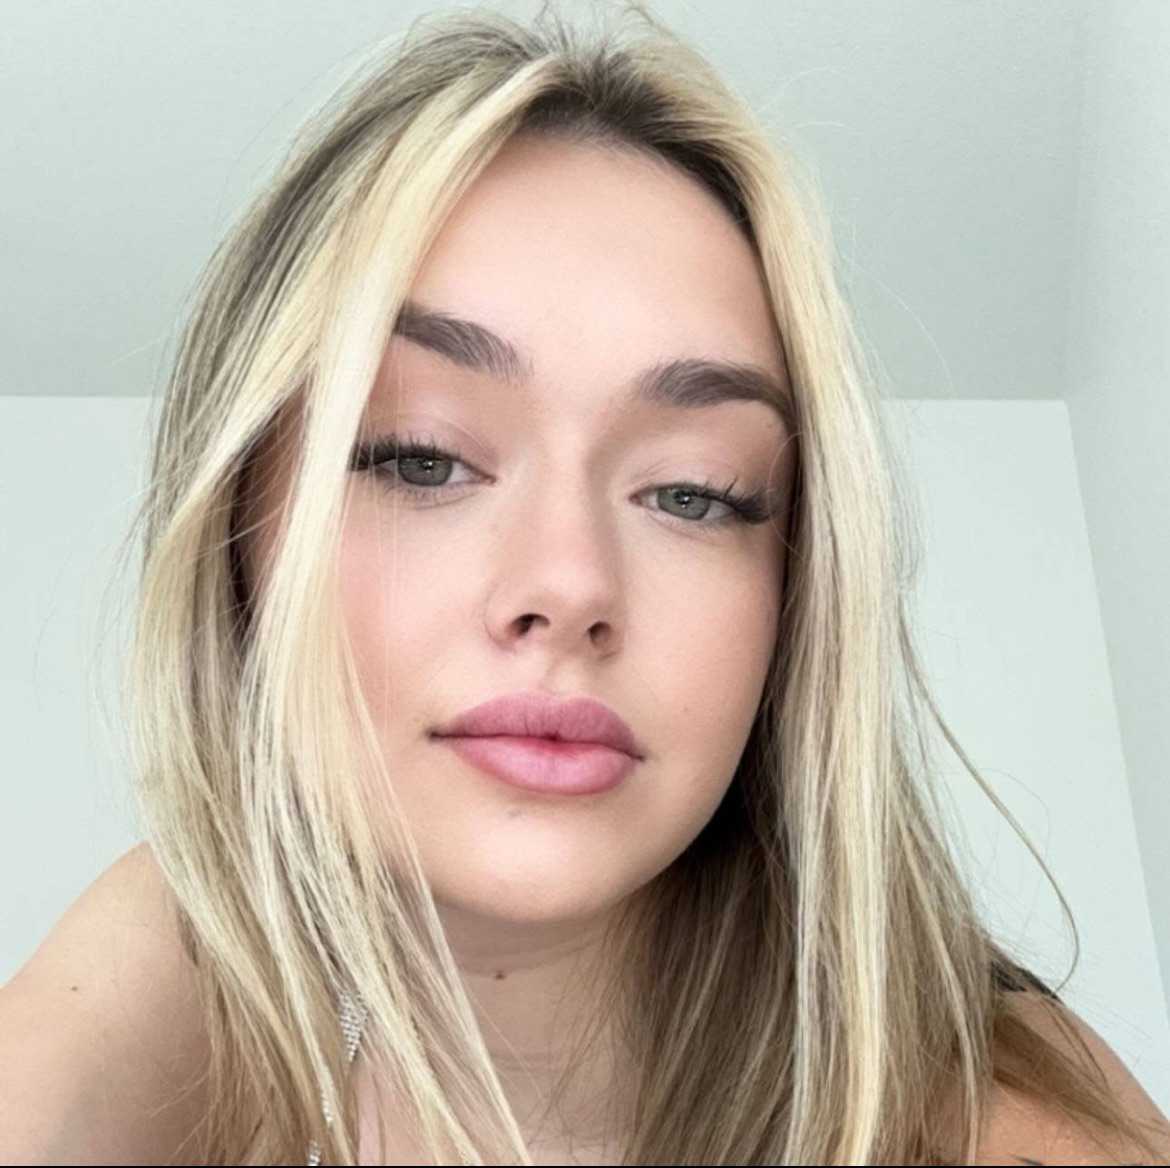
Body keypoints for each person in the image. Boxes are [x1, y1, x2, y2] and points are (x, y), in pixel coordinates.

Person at [2, 3, 1169, 1164]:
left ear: (797, 605)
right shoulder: (162, 987)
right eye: (422, 457)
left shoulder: (1009, 1126)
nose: (568, 584)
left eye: (695, 493)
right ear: (236, 537)